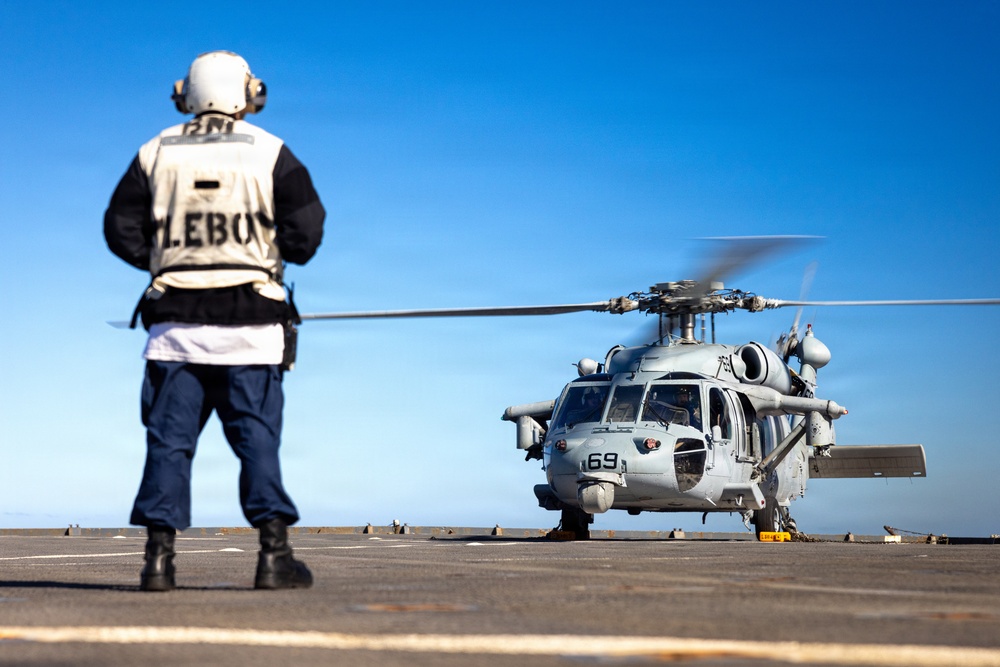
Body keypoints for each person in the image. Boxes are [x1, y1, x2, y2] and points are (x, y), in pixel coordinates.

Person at [104, 51, 325, 591]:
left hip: (173, 331)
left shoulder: (154, 151)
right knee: (258, 442)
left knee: (168, 445)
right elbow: (306, 234)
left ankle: (158, 562)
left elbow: (119, 228)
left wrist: (166, 262)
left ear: (187, 93)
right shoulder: (271, 151)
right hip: (251, 331)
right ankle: (273, 557)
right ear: (246, 93)